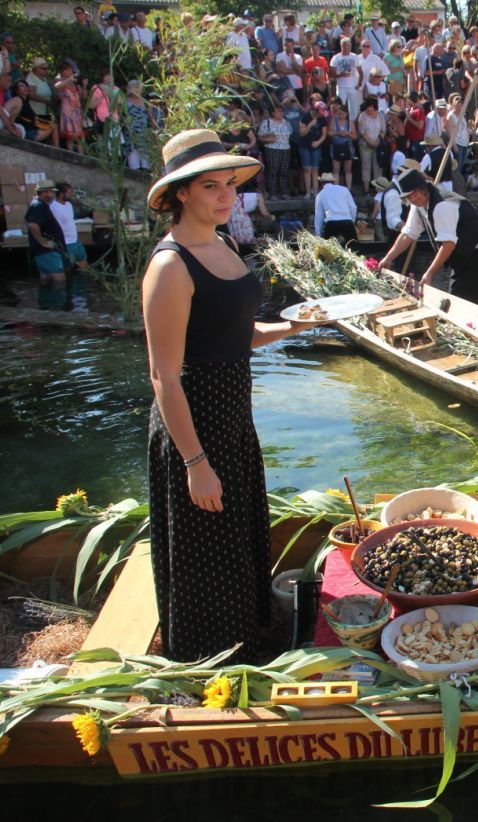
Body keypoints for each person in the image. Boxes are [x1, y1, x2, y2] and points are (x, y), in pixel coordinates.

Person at [142, 129, 323, 662]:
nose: (226, 196)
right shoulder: (170, 266)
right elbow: (164, 376)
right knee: (204, 550)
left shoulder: (220, 244)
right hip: (192, 425)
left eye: (230, 185)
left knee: (239, 535)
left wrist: (293, 327)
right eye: (211, 187)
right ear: (180, 194)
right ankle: (206, 660)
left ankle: (246, 643)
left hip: (232, 416)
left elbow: (235, 335)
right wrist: (194, 461)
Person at [380, 168, 478, 305]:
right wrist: (388, 258)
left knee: (469, 297)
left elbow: (448, 244)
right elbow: (408, 234)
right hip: (461, 246)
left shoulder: (442, 205)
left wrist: (429, 273)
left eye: (414, 194)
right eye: (408, 197)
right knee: (457, 292)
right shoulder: (417, 206)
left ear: (423, 188)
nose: (412, 199)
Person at [27, 180, 68, 288]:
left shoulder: (40, 205)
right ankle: (59, 303)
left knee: (47, 281)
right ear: (39, 193)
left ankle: (48, 303)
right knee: (59, 282)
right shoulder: (38, 206)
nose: (49, 195)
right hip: (47, 251)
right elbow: (33, 225)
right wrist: (42, 241)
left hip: (46, 252)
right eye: (46, 192)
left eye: (51, 192)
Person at [50, 181, 88, 273]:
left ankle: (83, 286)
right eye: (69, 193)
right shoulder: (53, 207)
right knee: (67, 269)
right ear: (61, 194)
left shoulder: (69, 205)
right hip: (66, 244)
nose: (71, 195)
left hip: (75, 241)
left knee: (84, 265)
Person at [313, 171, 358, 243]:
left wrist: (317, 234)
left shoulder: (320, 195)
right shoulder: (344, 189)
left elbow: (319, 216)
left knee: (329, 250)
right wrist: (352, 220)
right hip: (346, 221)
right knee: (354, 247)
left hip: (332, 222)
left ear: (321, 183)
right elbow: (353, 207)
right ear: (333, 182)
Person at [369, 175, 404, 239]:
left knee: (379, 232)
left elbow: (377, 206)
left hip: (380, 218)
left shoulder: (379, 195)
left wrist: (373, 216)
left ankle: (383, 243)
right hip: (386, 217)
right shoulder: (391, 193)